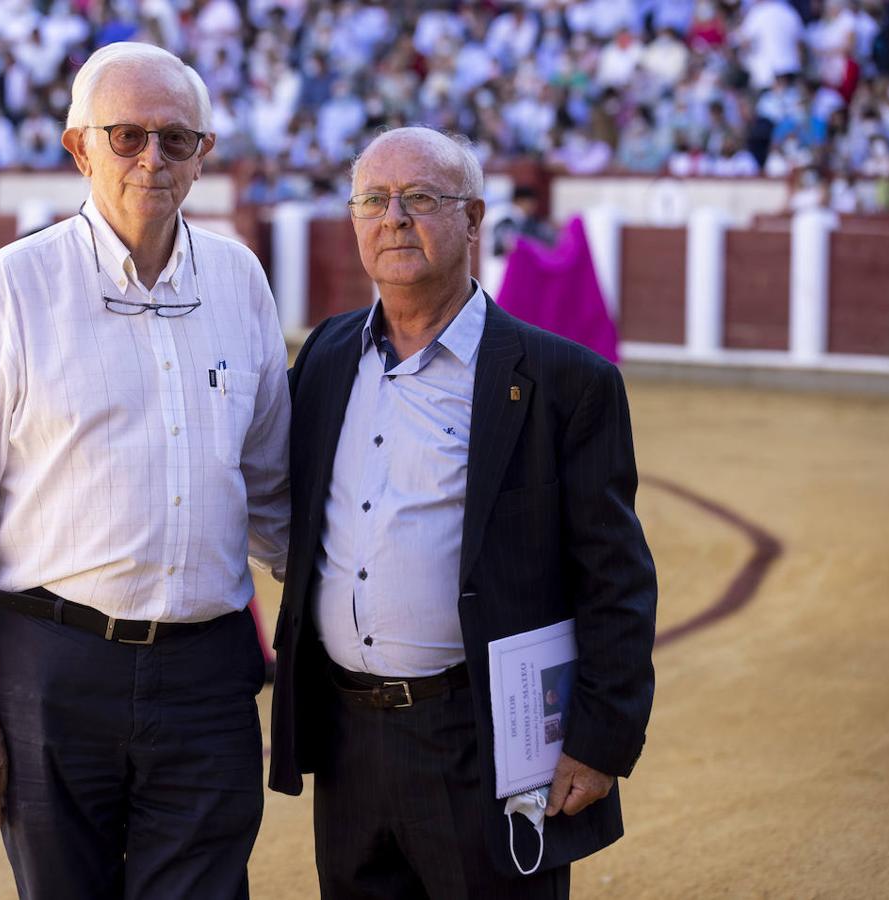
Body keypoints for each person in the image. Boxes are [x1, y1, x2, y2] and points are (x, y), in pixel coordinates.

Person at [0, 42, 290, 899]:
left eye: (176, 139)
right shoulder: (9, 290)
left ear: (204, 154)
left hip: (208, 675)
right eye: (126, 136)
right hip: (51, 668)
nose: (153, 158)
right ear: (78, 148)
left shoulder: (239, 280)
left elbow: (272, 495)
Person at [269, 127, 657, 898]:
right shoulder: (323, 355)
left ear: (473, 220)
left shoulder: (564, 381)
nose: (393, 218)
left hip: (484, 740)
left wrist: (598, 739)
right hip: (347, 737)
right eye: (373, 200)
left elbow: (614, 580)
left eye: (420, 199)